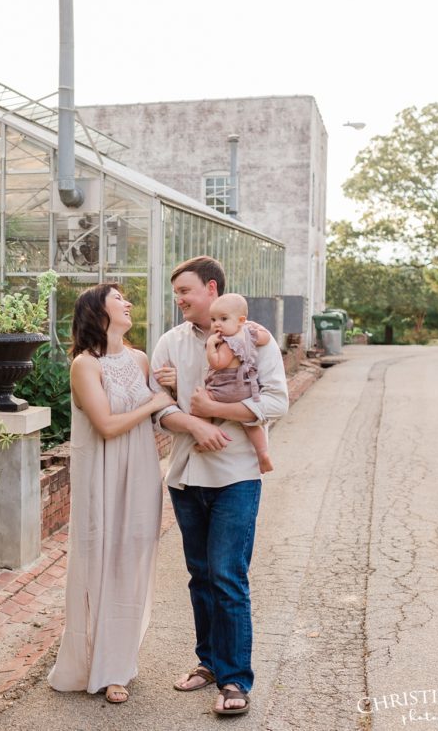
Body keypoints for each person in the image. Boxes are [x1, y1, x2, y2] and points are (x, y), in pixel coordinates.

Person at [149, 256, 288, 716]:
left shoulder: (254, 337)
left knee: (228, 576)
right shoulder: (170, 342)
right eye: (176, 294)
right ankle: (208, 662)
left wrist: (218, 413)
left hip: (236, 476)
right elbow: (155, 404)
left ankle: (234, 681)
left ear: (211, 289)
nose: (179, 300)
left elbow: (276, 400)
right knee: (201, 576)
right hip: (185, 477)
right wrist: (194, 423)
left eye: (185, 291)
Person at [47, 283, 176, 705]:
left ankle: (120, 662)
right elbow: (105, 424)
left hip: (140, 472)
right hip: (101, 476)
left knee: (132, 562)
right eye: (118, 298)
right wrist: (154, 400)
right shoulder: (85, 365)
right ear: (97, 311)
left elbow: (166, 404)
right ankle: (99, 666)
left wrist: (165, 391)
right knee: (101, 563)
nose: (128, 303)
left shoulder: (140, 359)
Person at [204, 293, 274, 473]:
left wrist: (211, 346)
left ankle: (205, 435)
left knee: (201, 403)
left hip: (224, 388)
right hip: (245, 389)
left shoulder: (228, 342)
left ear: (240, 320)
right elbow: (266, 338)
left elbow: (218, 363)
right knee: (250, 424)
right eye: (213, 320)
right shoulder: (249, 335)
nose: (217, 324)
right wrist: (256, 328)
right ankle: (263, 453)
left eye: (223, 319)